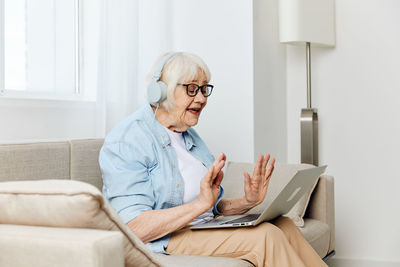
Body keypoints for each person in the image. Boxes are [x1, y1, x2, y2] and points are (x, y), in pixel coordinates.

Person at [99, 52, 327, 267]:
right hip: (166, 240)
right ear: (160, 91)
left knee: (284, 224)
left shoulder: (188, 135)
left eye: (204, 89)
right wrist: (201, 205)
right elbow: (132, 228)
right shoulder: (127, 141)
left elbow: (211, 207)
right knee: (266, 236)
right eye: (191, 89)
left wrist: (247, 202)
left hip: (201, 227)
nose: (201, 98)